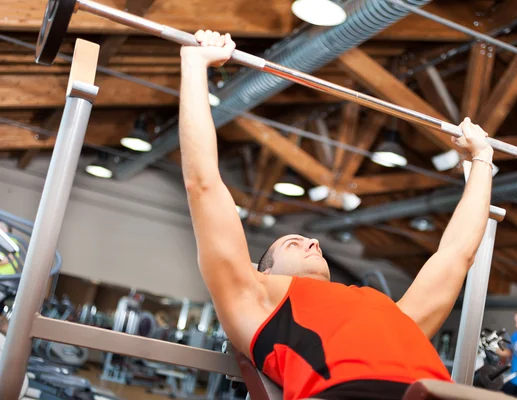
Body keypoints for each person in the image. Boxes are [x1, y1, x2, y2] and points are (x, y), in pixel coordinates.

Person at [178, 30, 495, 400]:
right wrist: (194, 63)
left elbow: (457, 254)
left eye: (306, 238)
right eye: (294, 243)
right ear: (263, 271)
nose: (313, 241)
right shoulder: (255, 296)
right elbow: (204, 185)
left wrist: (482, 159)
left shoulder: (398, 315)